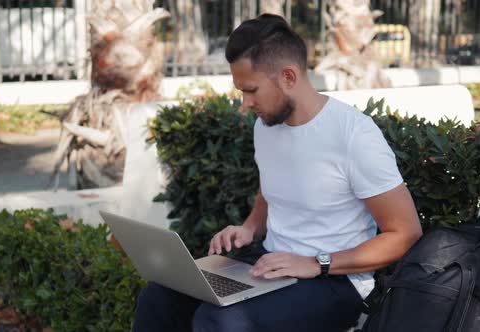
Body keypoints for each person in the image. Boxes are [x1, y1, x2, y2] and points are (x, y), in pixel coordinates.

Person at [132, 14, 422, 332]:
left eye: (251, 90)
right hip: (270, 261)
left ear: (287, 77)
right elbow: (271, 190)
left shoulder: (354, 136)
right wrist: (249, 228)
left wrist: (317, 263)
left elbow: (404, 234)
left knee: (219, 321)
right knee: (159, 297)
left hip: (337, 281)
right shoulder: (266, 126)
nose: (245, 103)